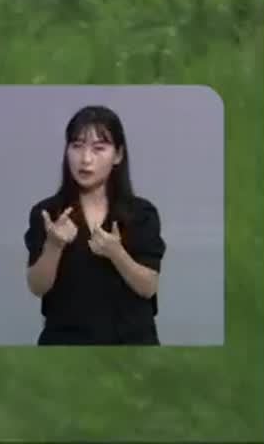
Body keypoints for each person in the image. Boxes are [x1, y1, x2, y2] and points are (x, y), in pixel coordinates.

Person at [23, 104, 166, 345]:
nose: (85, 159)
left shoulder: (141, 213)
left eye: (99, 148)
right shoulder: (48, 212)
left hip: (130, 342)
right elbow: (37, 287)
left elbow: (148, 287)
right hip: (66, 342)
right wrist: (54, 245)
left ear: (118, 155)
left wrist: (116, 253)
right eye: (77, 146)